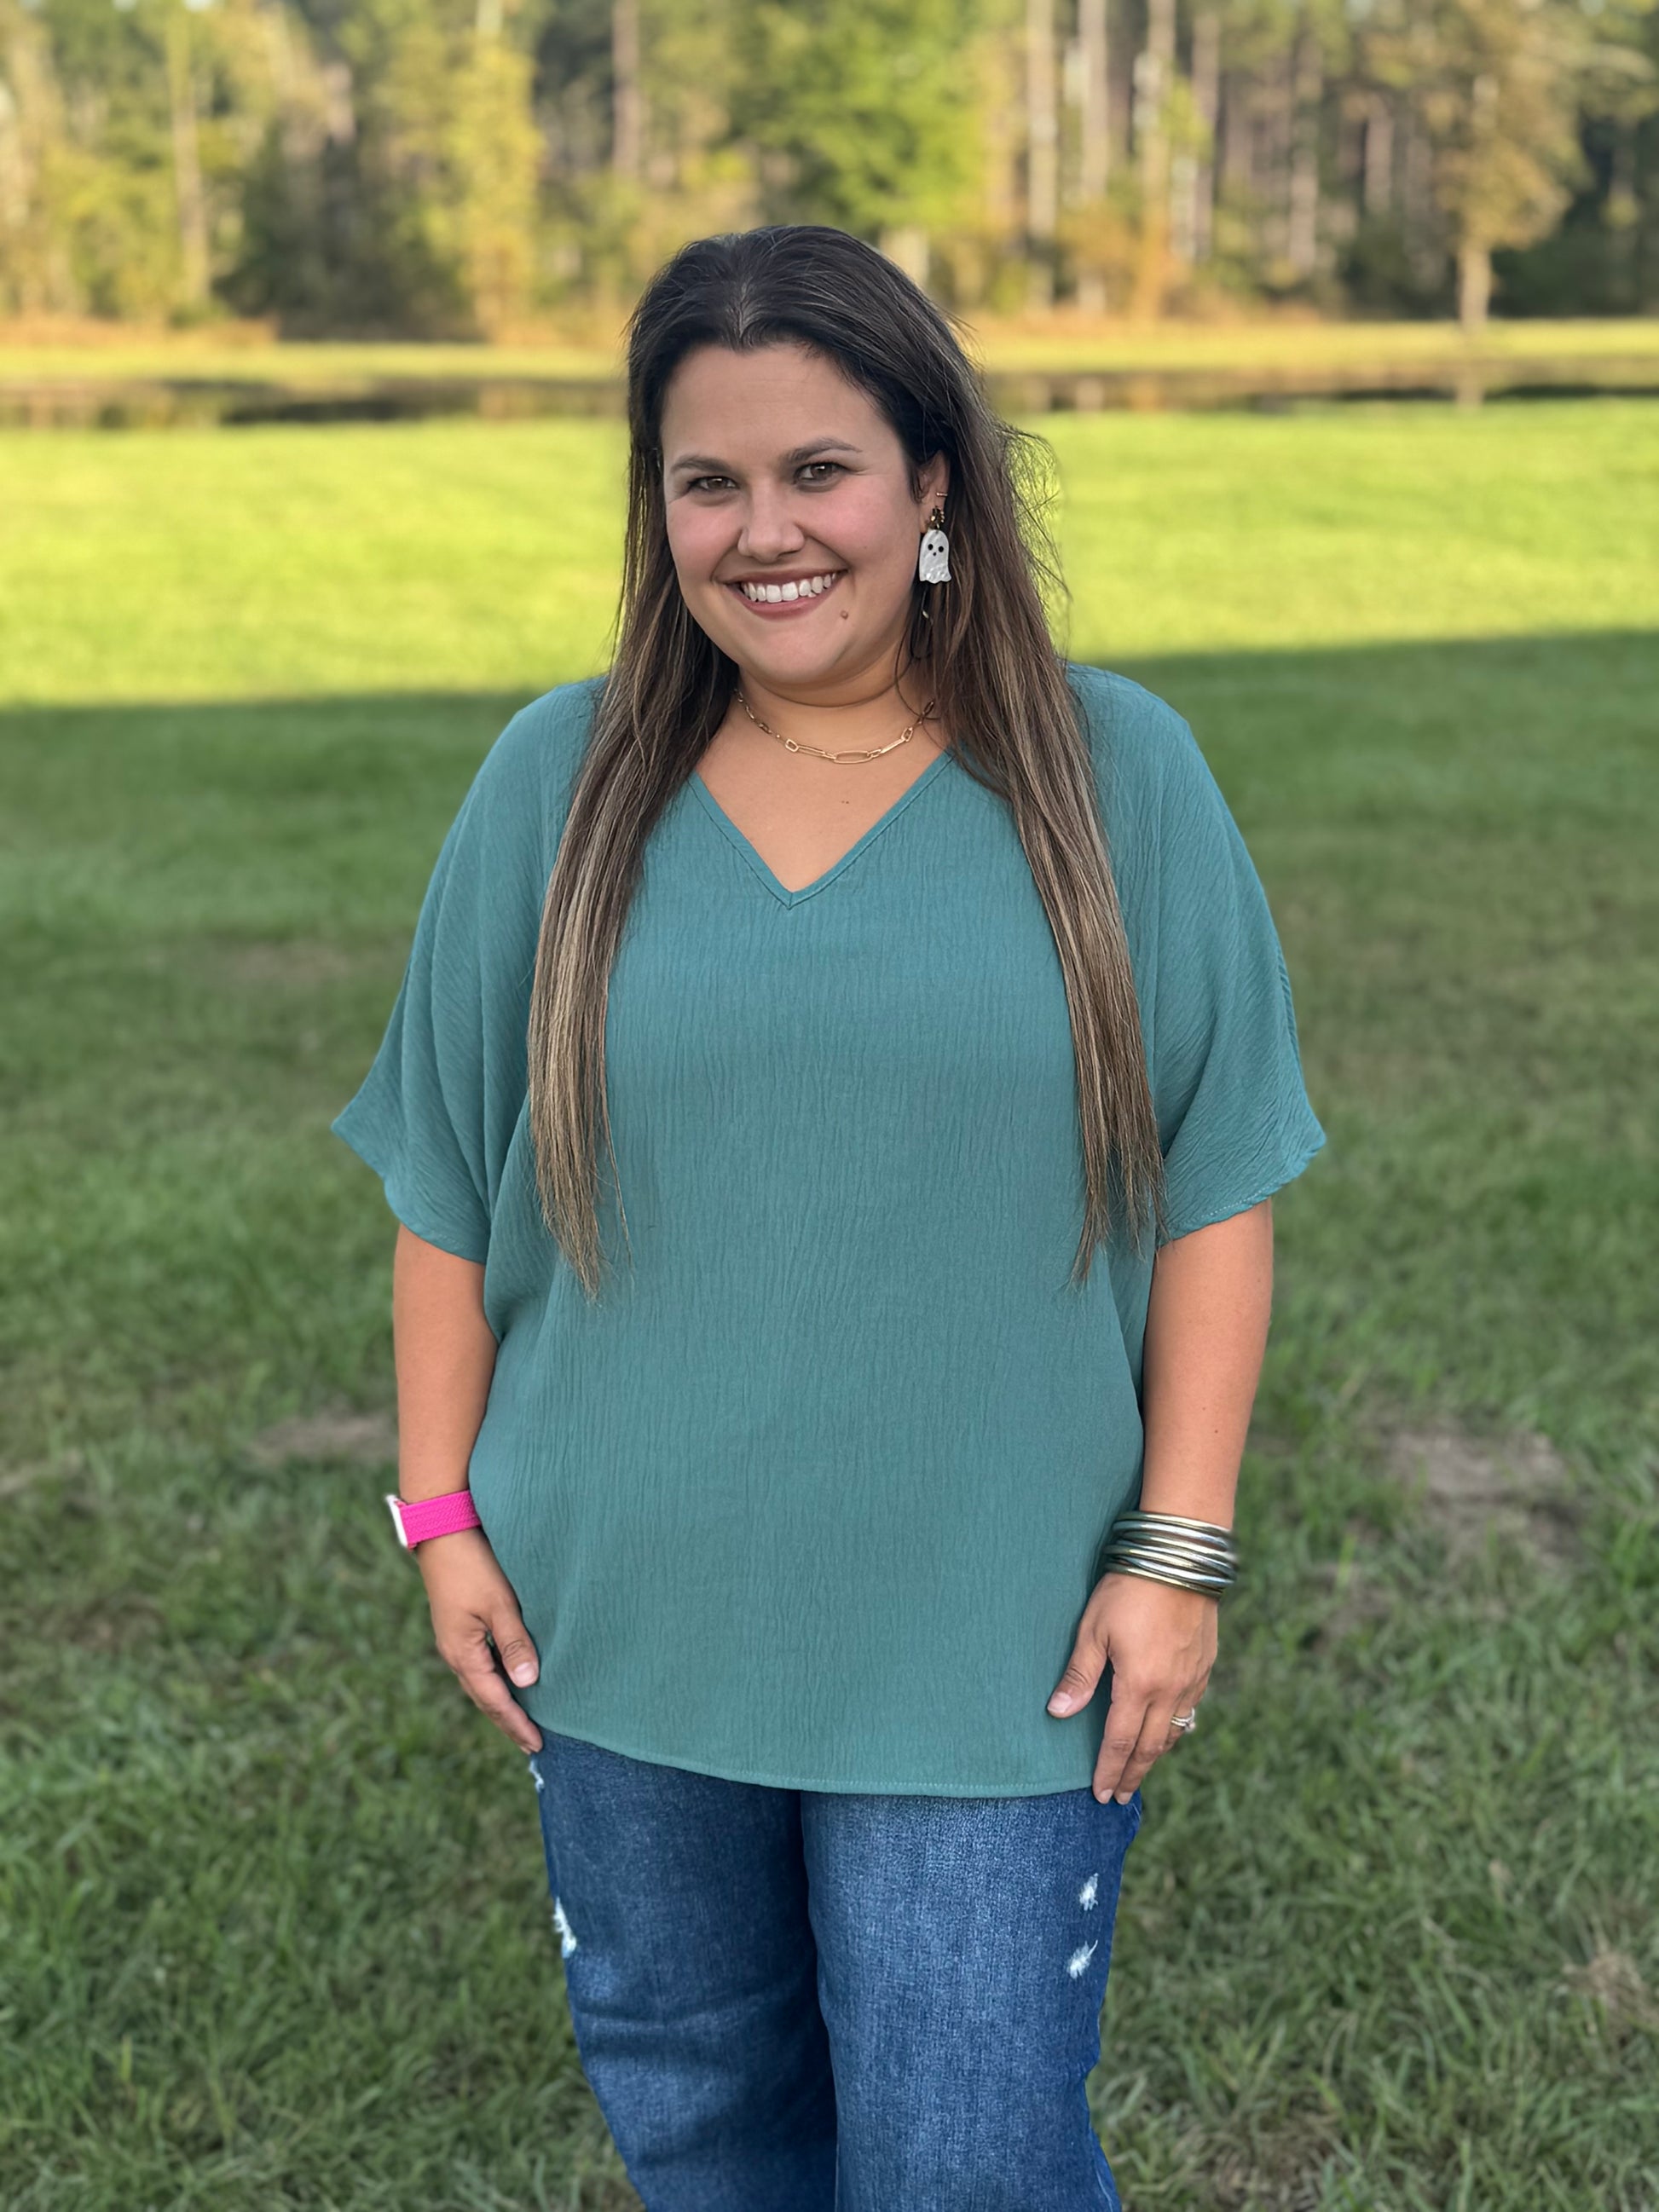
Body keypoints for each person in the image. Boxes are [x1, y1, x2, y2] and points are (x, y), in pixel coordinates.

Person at [333, 224, 1325, 2212]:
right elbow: (447, 1178)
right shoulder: (560, 782)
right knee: (707, 2123)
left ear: (931, 480)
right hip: (621, 1616)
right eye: (707, 479)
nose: (764, 532)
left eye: (818, 471)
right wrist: (439, 1515)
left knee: (964, 2156)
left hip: (997, 1631)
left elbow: (1218, 1177)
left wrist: (1179, 1550)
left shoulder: (1107, 775)